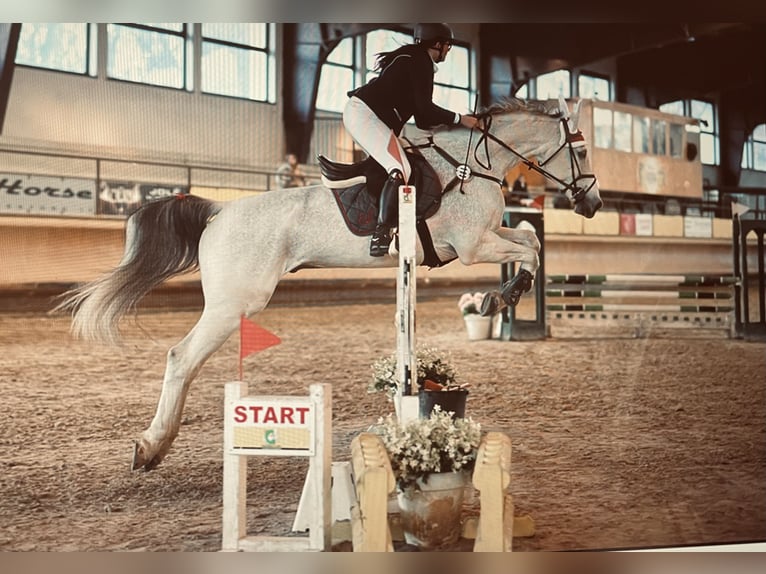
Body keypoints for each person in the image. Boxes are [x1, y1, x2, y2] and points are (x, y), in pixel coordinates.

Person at [343, 23, 482, 256]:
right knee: (400, 169)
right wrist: (461, 119)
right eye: (448, 45)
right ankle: (382, 233)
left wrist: (454, 123)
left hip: (374, 118)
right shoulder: (420, 61)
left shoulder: (417, 60)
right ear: (437, 44)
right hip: (365, 115)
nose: (448, 50)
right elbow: (426, 110)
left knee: (409, 160)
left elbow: (422, 119)